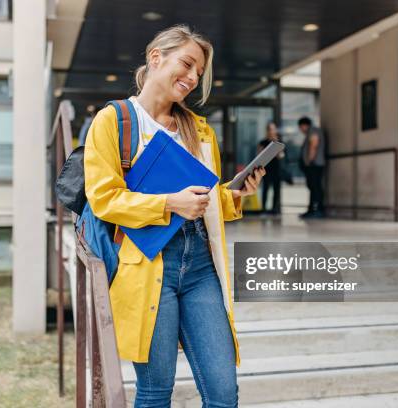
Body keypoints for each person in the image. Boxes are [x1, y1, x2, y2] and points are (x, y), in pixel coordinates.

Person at [84, 25, 265, 407]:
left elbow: (206, 200)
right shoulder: (114, 121)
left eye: (199, 73)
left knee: (222, 392)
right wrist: (169, 203)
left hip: (200, 265)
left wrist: (235, 195)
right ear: (156, 58)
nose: (192, 78)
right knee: (155, 391)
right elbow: (104, 199)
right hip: (148, 263)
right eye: (186, 64)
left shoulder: (198, 129)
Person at [298, 116, 325, 218]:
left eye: (300, 127)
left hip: (314, 165)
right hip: (314, 164)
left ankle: (316, 210)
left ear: (304, 125)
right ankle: (313, 210)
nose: (301, 130)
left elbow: (314, 144)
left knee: (315, 187)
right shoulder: (312, 131)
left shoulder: (313, 131)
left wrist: (309, 161)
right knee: (313, 187)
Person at [257, 122, 283, 214]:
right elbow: (259, 156)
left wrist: (276, 144)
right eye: (270, 129)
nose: (271, 131)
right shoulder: (262, 142)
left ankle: (274, 209)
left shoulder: (279, 142)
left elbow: (281, 156)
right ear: (267, 131)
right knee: (265, 189)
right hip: (266, 169)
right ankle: (263, 209)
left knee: (276, 189)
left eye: (273, 129)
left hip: (276, 169)